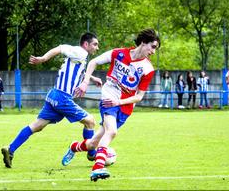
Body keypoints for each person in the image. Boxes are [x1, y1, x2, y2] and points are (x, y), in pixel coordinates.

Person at [61, 29, 160, 181]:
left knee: (94, 143)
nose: (153, 51)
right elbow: (93, 62)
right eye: (152, 46)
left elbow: (139, 97)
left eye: (156, 48)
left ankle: (74, 146)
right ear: (143, 42)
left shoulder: (148, 69)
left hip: (124, 106)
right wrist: (86, 81)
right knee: (112, 131)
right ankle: (98, 167)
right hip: (109, 96)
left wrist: (119, 102)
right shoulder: (118, 53)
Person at [1, 32, 102, 168]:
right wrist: (43, 58)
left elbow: (78, 72)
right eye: (95, 44)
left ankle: (10, 149)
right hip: (62, 98)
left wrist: (93, 78)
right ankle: (92, 153)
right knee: (90, 121)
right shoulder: (80, 52)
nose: (97, 47)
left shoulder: (79, 58)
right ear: (86, 44)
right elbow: (60, 48)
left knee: (37, 126)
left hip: (53, 95)